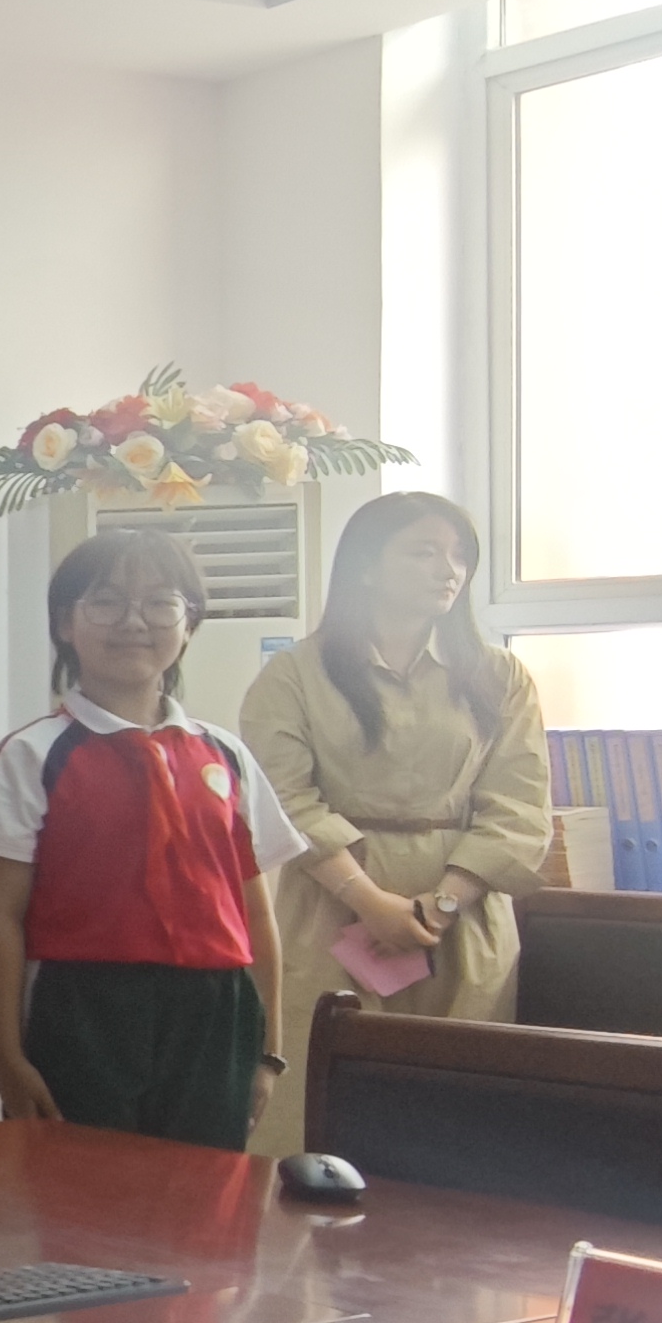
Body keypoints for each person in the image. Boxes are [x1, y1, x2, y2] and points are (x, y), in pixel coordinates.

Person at [0, 529, 305, 1153]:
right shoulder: (32, 755)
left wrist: (269, 1052)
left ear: (189, 623)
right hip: (82, 1007)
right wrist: (6, 1059)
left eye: (158, 603)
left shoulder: (224, 754)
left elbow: (255, 913)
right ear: (64, 623)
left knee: (201, 1198)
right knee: (80, 1192)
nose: (133, 622)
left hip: (214, 1013)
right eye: (106, 601)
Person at [238, 493, 550, 1157]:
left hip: (462, 920)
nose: (449, 569)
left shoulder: (498, 676)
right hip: (331, 913)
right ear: (366, 566)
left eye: (460, 555)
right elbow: (282, 799)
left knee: (456, 1124)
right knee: (318, 1118)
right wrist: (370, 902)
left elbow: (520, 807)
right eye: (424, 551)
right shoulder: (294, 674)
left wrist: (442, 904)